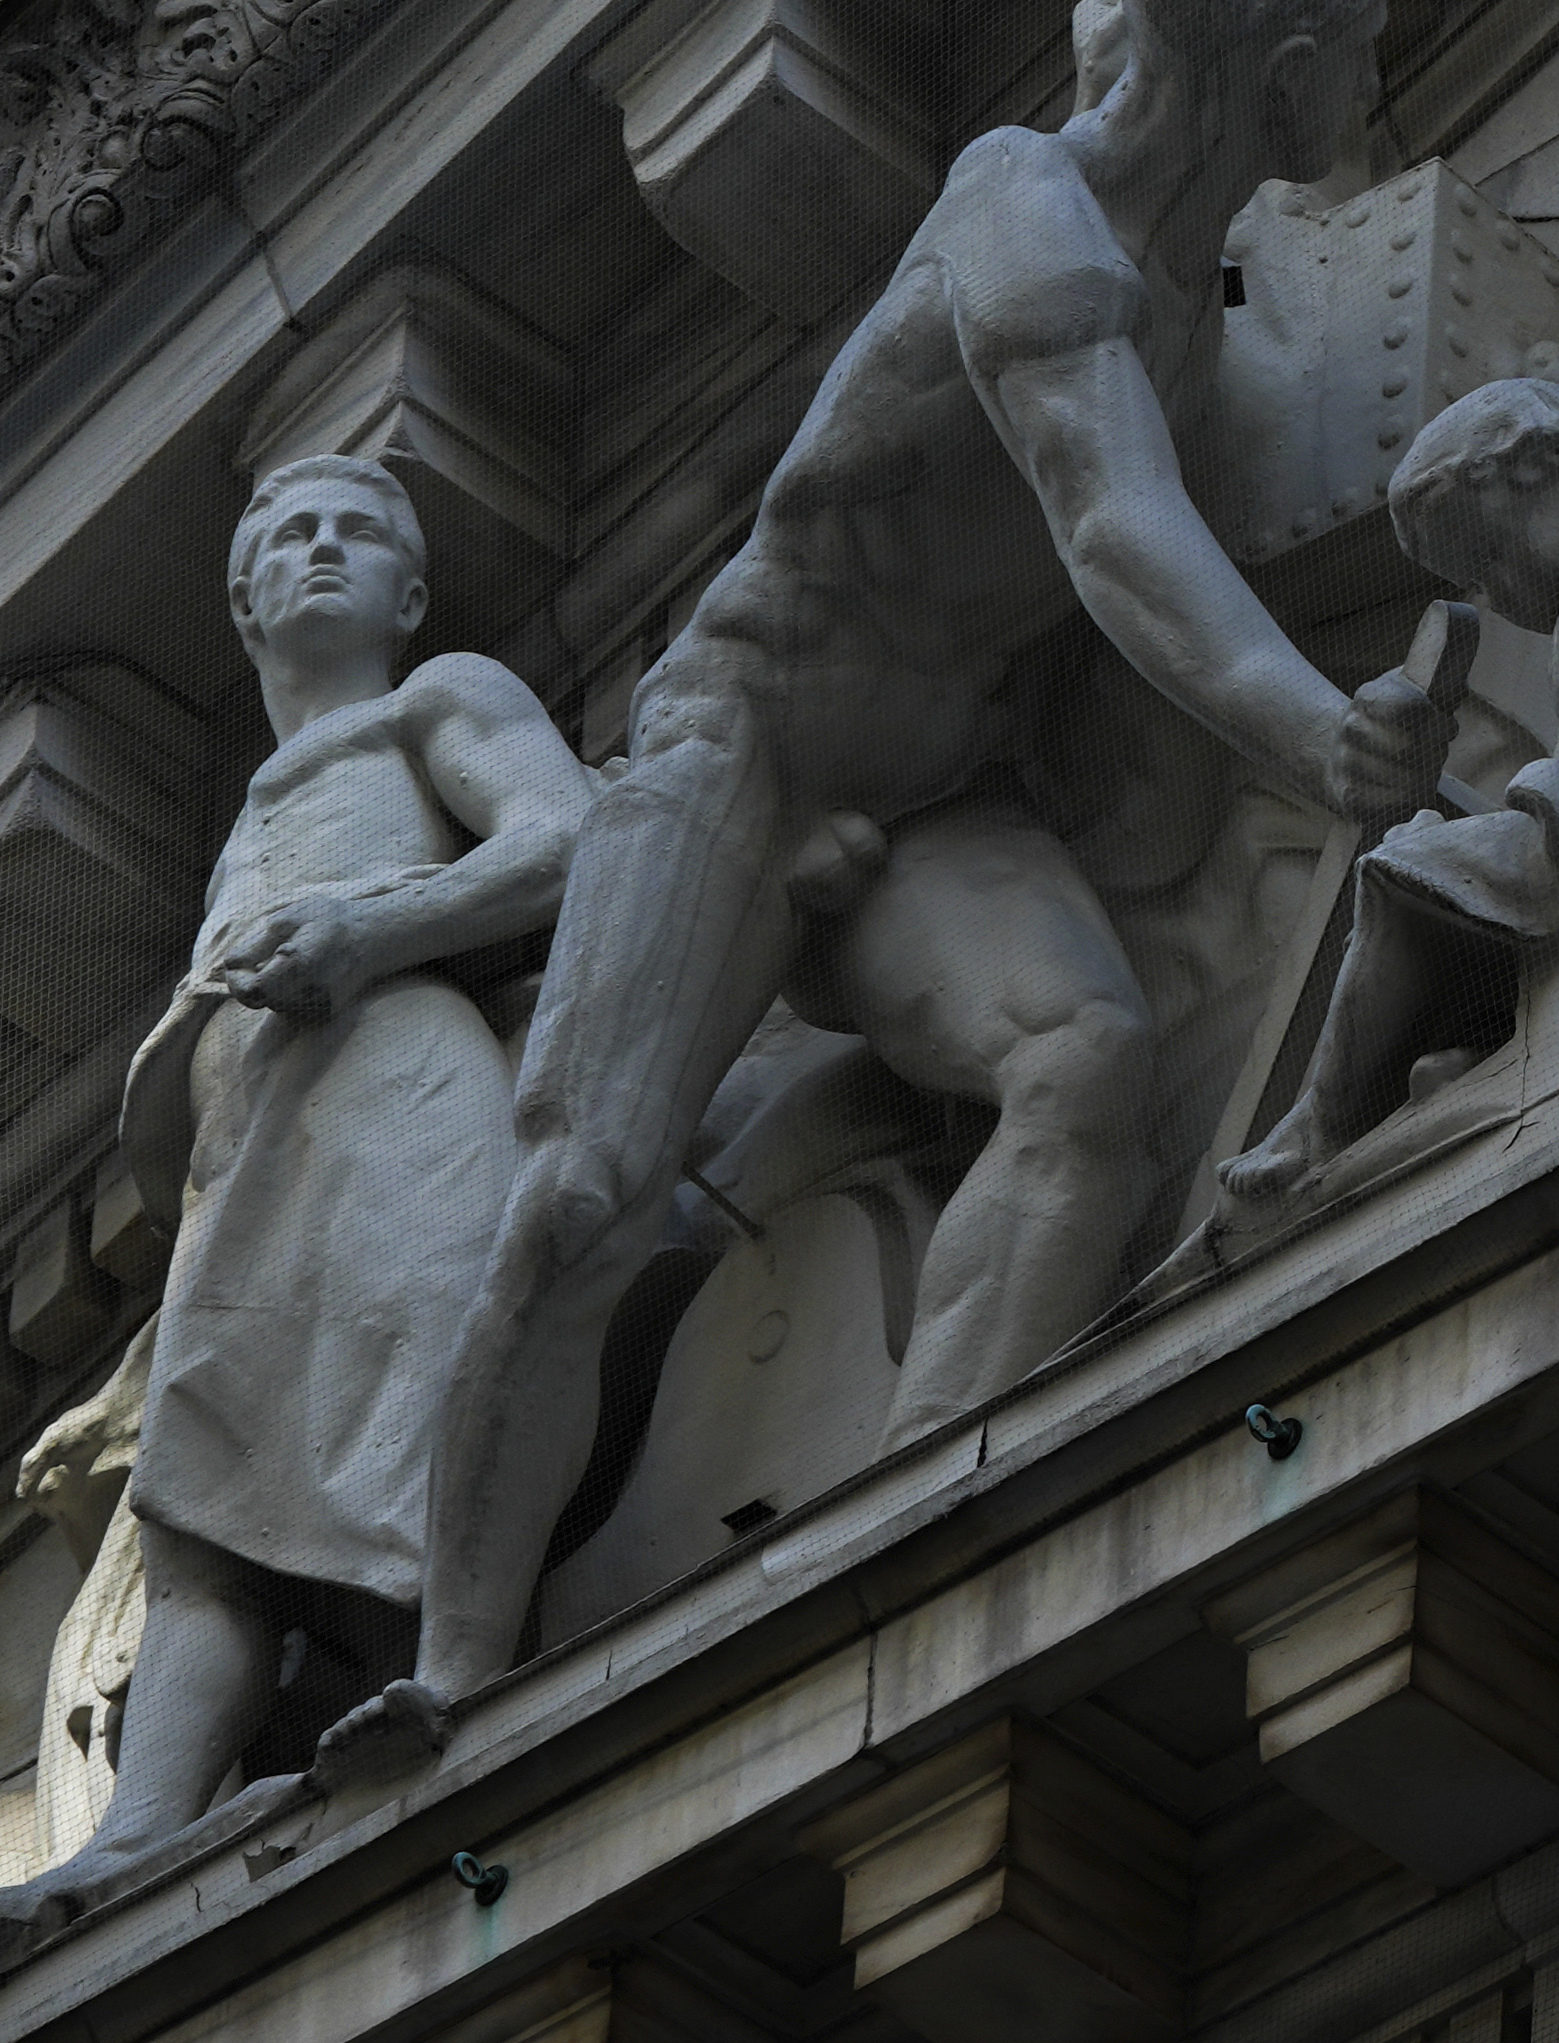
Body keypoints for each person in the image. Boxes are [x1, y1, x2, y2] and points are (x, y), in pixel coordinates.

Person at [306, 0, 1445, 1798]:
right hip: (741, 754)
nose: (1373, 69)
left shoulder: (1186, 313)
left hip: (930, 801)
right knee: (582, 1194)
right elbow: (1113, 535)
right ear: (1264, 57)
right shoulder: (1025, 205)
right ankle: (452, 1673)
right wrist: (1322, 738)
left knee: (1087, 1059)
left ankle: (913, 1522)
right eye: (1349, 36)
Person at [0, 458, 592, 1970]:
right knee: (195, 1518)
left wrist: (370, 931)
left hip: (398, 1096)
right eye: (287, 535)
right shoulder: (253, 805)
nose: (319, 550)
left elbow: (567, 836)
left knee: (426, 1381)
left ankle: (456, 1671)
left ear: (408, 595)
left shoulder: (439, 699)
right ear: (242, 602)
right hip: (248, 1167)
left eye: (357, 534)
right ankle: (135, 1834)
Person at [1222, 374, 1559, 1215]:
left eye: (1489, 556)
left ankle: (1321, 1121)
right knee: (1450, 888)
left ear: (1552, 472)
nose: (1490, 592)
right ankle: (1462, 1051)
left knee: (1404, 869)